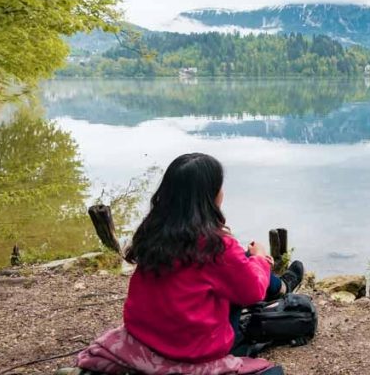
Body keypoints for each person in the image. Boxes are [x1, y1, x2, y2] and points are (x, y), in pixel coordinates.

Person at [122, 153, 304, 365]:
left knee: (238, 266)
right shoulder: (215, 246)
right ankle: (281, 288)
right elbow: (252, 291)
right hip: (190, 349)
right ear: (210, 195)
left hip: (144, 336)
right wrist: (261, 258)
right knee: (246, 264)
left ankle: (280, 287)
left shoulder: (152, 232)